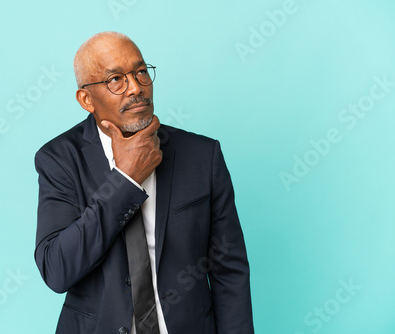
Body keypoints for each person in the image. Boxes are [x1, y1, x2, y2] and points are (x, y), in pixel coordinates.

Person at [34, 31, 254, 334]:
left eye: (140, 72)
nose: (136, 87)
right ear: (86, 99)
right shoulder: (59, 159)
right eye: (116, 80)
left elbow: (229, 270)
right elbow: (57, 269)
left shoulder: (202, 156)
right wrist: (125, 181)